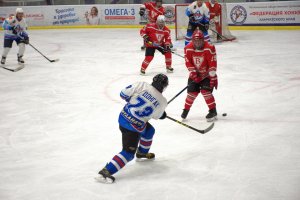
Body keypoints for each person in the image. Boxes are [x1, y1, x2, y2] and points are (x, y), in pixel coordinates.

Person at [96, 73, 169, 184]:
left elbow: (123, 93)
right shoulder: (162, 101)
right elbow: (156, 116)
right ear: (165, 86)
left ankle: (142, 153)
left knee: (149, 131)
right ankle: (106, 171)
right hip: (133, 128)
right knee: (128, 153)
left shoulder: (142, 85)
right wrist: (162, 114)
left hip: (124, 117)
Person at [181, 29, 218, 122]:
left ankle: (213, 111)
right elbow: (188, 62)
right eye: (195, 41)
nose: (197, 43)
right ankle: (185, 110)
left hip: (207, 75)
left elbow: (212, 63)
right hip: (195, 74)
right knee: (191, 94)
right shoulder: (187, 48)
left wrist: (212, 76)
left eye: (199, 41)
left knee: (206, 92)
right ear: (192, 40)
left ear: (203, 40)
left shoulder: (209, 47)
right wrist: (193, 73)